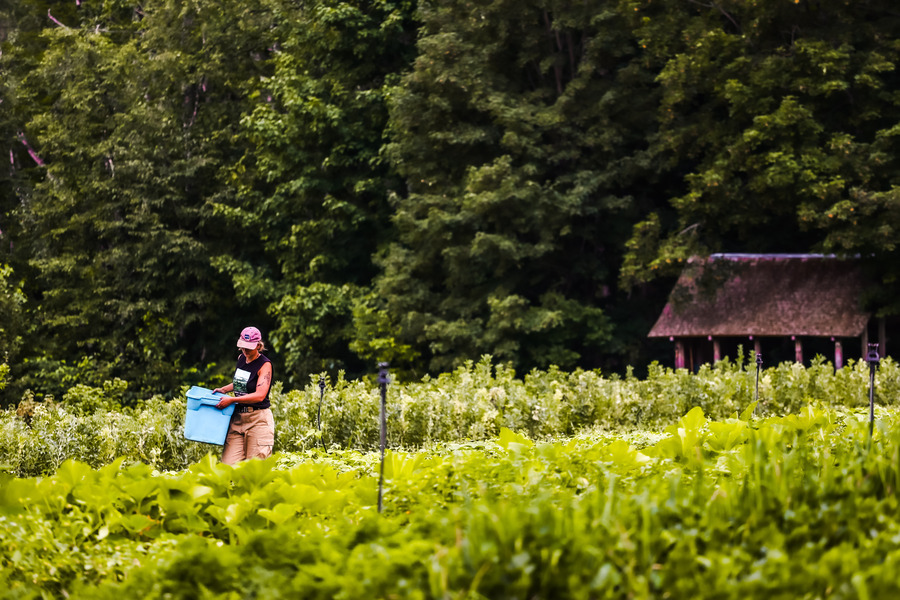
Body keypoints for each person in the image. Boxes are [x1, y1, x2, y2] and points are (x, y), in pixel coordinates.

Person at [213, 326, 275, 465]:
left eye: (249, 348)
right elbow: (242, 382)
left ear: (258, 345)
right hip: (238, 419)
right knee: (228, 466)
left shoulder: (265, 365)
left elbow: (259, 395)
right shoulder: (242, 358)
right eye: (243, 347)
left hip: (258, 420)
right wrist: (224, 389)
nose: (245, 350)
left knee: (254, 470)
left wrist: (232, 399)